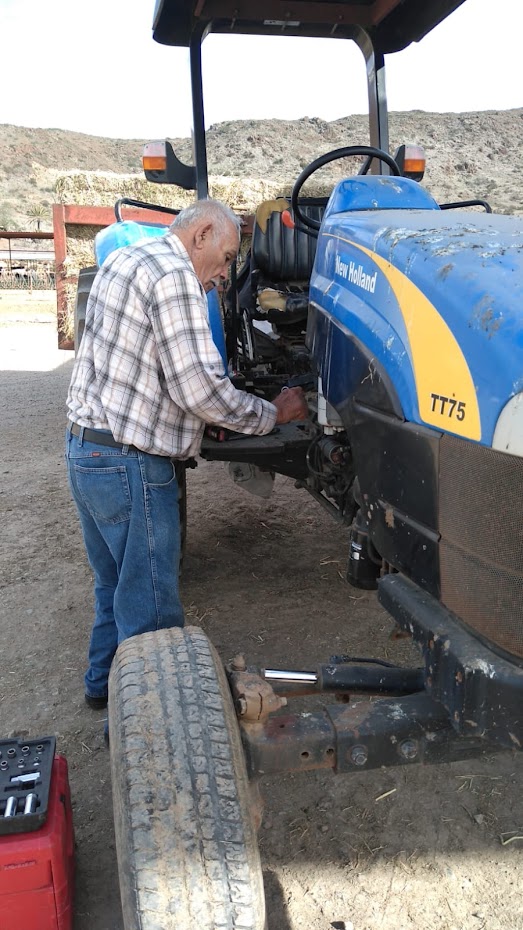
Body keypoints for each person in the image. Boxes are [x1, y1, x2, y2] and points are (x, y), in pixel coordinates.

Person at [65, 198, 307, 709]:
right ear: (200, 234)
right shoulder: (174, 276)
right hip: (132, 464)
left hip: (88, 451)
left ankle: (100, 689)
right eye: (223, 257)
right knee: (151, 612)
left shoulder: (126, 260)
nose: (224, 274)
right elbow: (198, 388)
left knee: (115, 586)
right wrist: (273, 414)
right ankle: (149, 734)